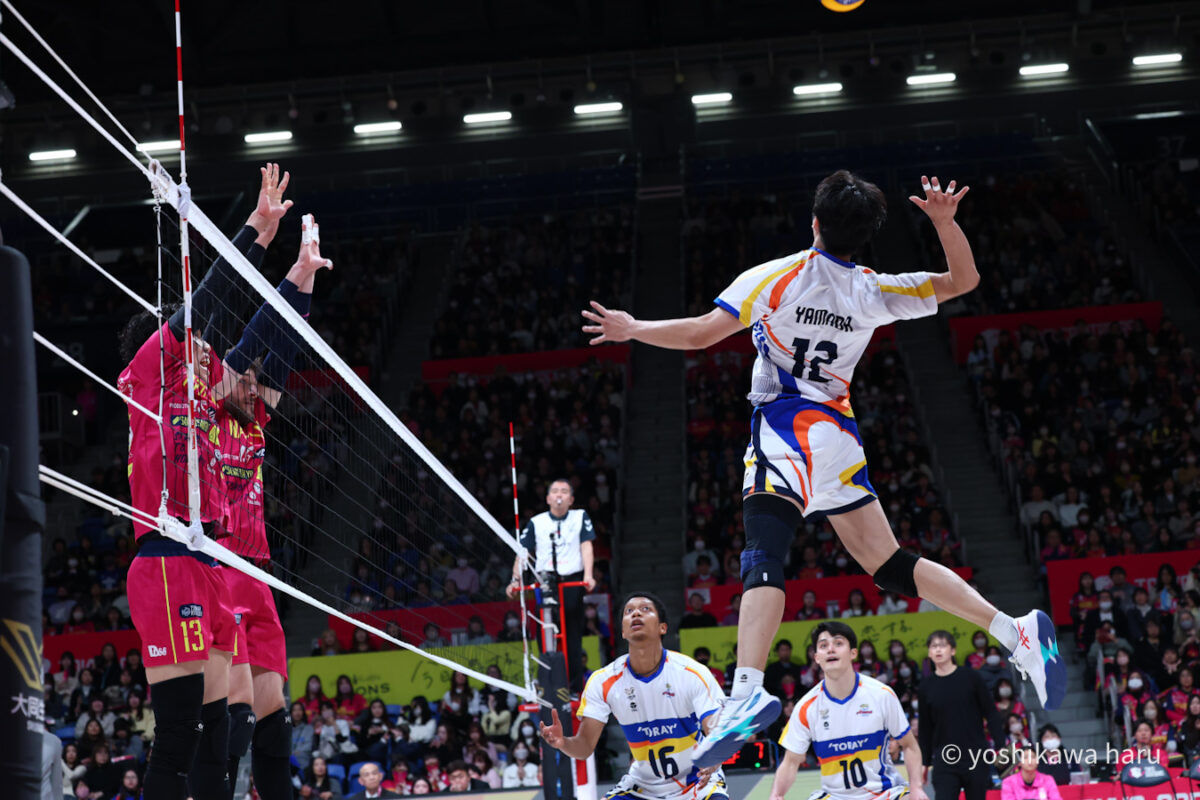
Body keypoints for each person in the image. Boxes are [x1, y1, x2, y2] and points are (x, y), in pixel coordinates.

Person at [581, 171, 1065, 764]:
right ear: (862, 236)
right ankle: (1014, 630)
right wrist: (944, 223)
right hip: (837, 434)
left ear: (814, 222)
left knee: (762, 552)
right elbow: (964, 279)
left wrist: (632, 328)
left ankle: (746, 692)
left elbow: (702, 335)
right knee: (890, 564)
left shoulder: (776, 277)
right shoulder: (872, 289)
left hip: (787, 426)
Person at [117, 162, 293, 800]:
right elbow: (211, 300)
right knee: (181, 734)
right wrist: (256, 232)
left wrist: (295, 280)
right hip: (166, 558)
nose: (208, 353)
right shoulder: (148, 376)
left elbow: (260, 347)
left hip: (210, 560)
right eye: (195, 345)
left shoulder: (208, 398)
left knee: (217, 732)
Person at [209, 192, 332, 800]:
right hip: (218, 567)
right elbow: (256, 337)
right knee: (234, 716)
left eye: (258, 382)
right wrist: (289, 276)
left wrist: (305, 276)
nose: (254, 384)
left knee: (274, 719)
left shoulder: (255, 419)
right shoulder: (207, 412)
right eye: (246, 377)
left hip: (258, 574)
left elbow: (283, 344)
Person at [540, 592, 729, 800]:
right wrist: (563, 742)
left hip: (698, 783)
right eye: (629, 611)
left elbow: (715, 729)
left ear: (662, 627)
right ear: (623, 631)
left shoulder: (691, 673)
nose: (636, 613)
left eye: (645, 609)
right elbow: (584, 747)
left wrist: (714, 755)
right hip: (642, 789)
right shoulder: (603, 681)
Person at [769, 621, 926, 800]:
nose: (830, 649)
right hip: (835, 796)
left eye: (838, 643)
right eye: (823, 645)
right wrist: (776, 795)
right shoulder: (806, 706)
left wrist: (916, 788)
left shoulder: (881, 694)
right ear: (817, 658)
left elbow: (910, 745)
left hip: (885, 793)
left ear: (853, 653)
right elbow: (791, 761)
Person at [508, 478, 597, 693]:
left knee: (573, 633)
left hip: (572, 580)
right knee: (544, 632)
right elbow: (523, 553)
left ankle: (574, 687)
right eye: (555, 491)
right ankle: (547, 685)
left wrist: (589, 575)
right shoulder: (537, 522)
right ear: (548, 498)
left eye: (564, 491)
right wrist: (515, 580)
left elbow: (586, 546)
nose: (559, 495)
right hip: (545, 582)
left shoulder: (580, 516)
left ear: (571, 499)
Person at [917, 630, 1004, 800]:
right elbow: (925, 728)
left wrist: (1001, 745)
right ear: (929, 653)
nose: (938, 650)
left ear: (953, 650)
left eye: (943, 645)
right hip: (944, 758)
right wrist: (924, 762)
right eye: (934, 646)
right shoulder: (926, 686)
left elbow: (991, 712)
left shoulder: (971, 677)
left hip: (975, 755)